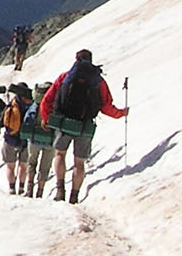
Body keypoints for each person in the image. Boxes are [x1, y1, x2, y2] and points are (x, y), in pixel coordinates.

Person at [38, 50, 127, 203]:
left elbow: (48, 99)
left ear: (76, 60)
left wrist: (46, 118)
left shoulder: (65, 77)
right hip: (85, 126)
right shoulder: (98, 81)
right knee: (79, 162)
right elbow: (106, 106)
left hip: (63, 123)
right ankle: (74, 195)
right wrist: (121, 113)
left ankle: (60, 190)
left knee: (60, 154)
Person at [26, 81, 57, 198]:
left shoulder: (35, 104)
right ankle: (40, 191)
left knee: (31, 162)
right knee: (45, 167)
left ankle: (29, 188)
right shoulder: (55, 105)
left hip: (34, 138)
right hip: (50, 140)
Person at [1, 83, 33, 194]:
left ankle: (11, 188)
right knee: (23, 165)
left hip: (10, 139)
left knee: (10, 166)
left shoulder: (13, 104)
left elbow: (2, 121)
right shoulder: (31, 104)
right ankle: (21, 187)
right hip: (25, 140)